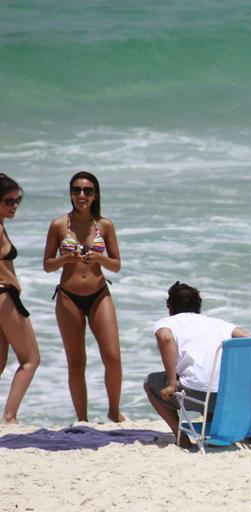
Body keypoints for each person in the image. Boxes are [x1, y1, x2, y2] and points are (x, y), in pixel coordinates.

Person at [43, 171, 125, 422]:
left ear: (95, 194)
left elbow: (116, 265)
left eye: (88, 191)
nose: (82, 195)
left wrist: (99, 258)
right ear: (70, 193)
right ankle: (82, 419)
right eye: (77, 190)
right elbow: (47, 264)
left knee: (112, 357)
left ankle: (114, 410)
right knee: (76, 362)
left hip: (99, 294)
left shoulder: (105, 225)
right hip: (68, 296)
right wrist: (65, 258)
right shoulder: (59, 225)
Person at [144, 281, 250, 448]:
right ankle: (211, 432)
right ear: (198, 306)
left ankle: (181, 436)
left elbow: (165, 338)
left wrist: (172, 383)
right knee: (206, 376)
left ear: (170, 307)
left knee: (150, 382)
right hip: (227, 396)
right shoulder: (220, 324)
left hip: (195, 395)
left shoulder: (167, 323)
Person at [0, 174, 41, 424]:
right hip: (3, 297)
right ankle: (10, 417)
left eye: (18, 200)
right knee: (30, 359)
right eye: (8, 201)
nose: (14, 205)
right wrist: (12, 280)